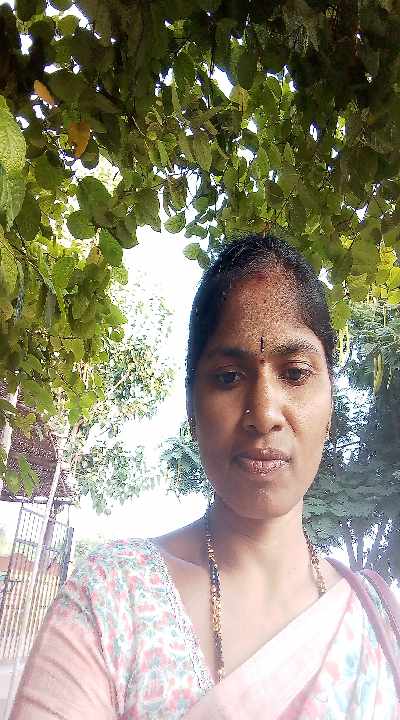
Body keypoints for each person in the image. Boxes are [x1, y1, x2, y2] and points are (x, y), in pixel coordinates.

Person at [11, 234, 400, 719]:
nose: (264, 414)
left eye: (296, 373)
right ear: (191, 408)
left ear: (331, 404)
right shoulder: (113, 599)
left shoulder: (380, 624)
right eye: (228, 377)